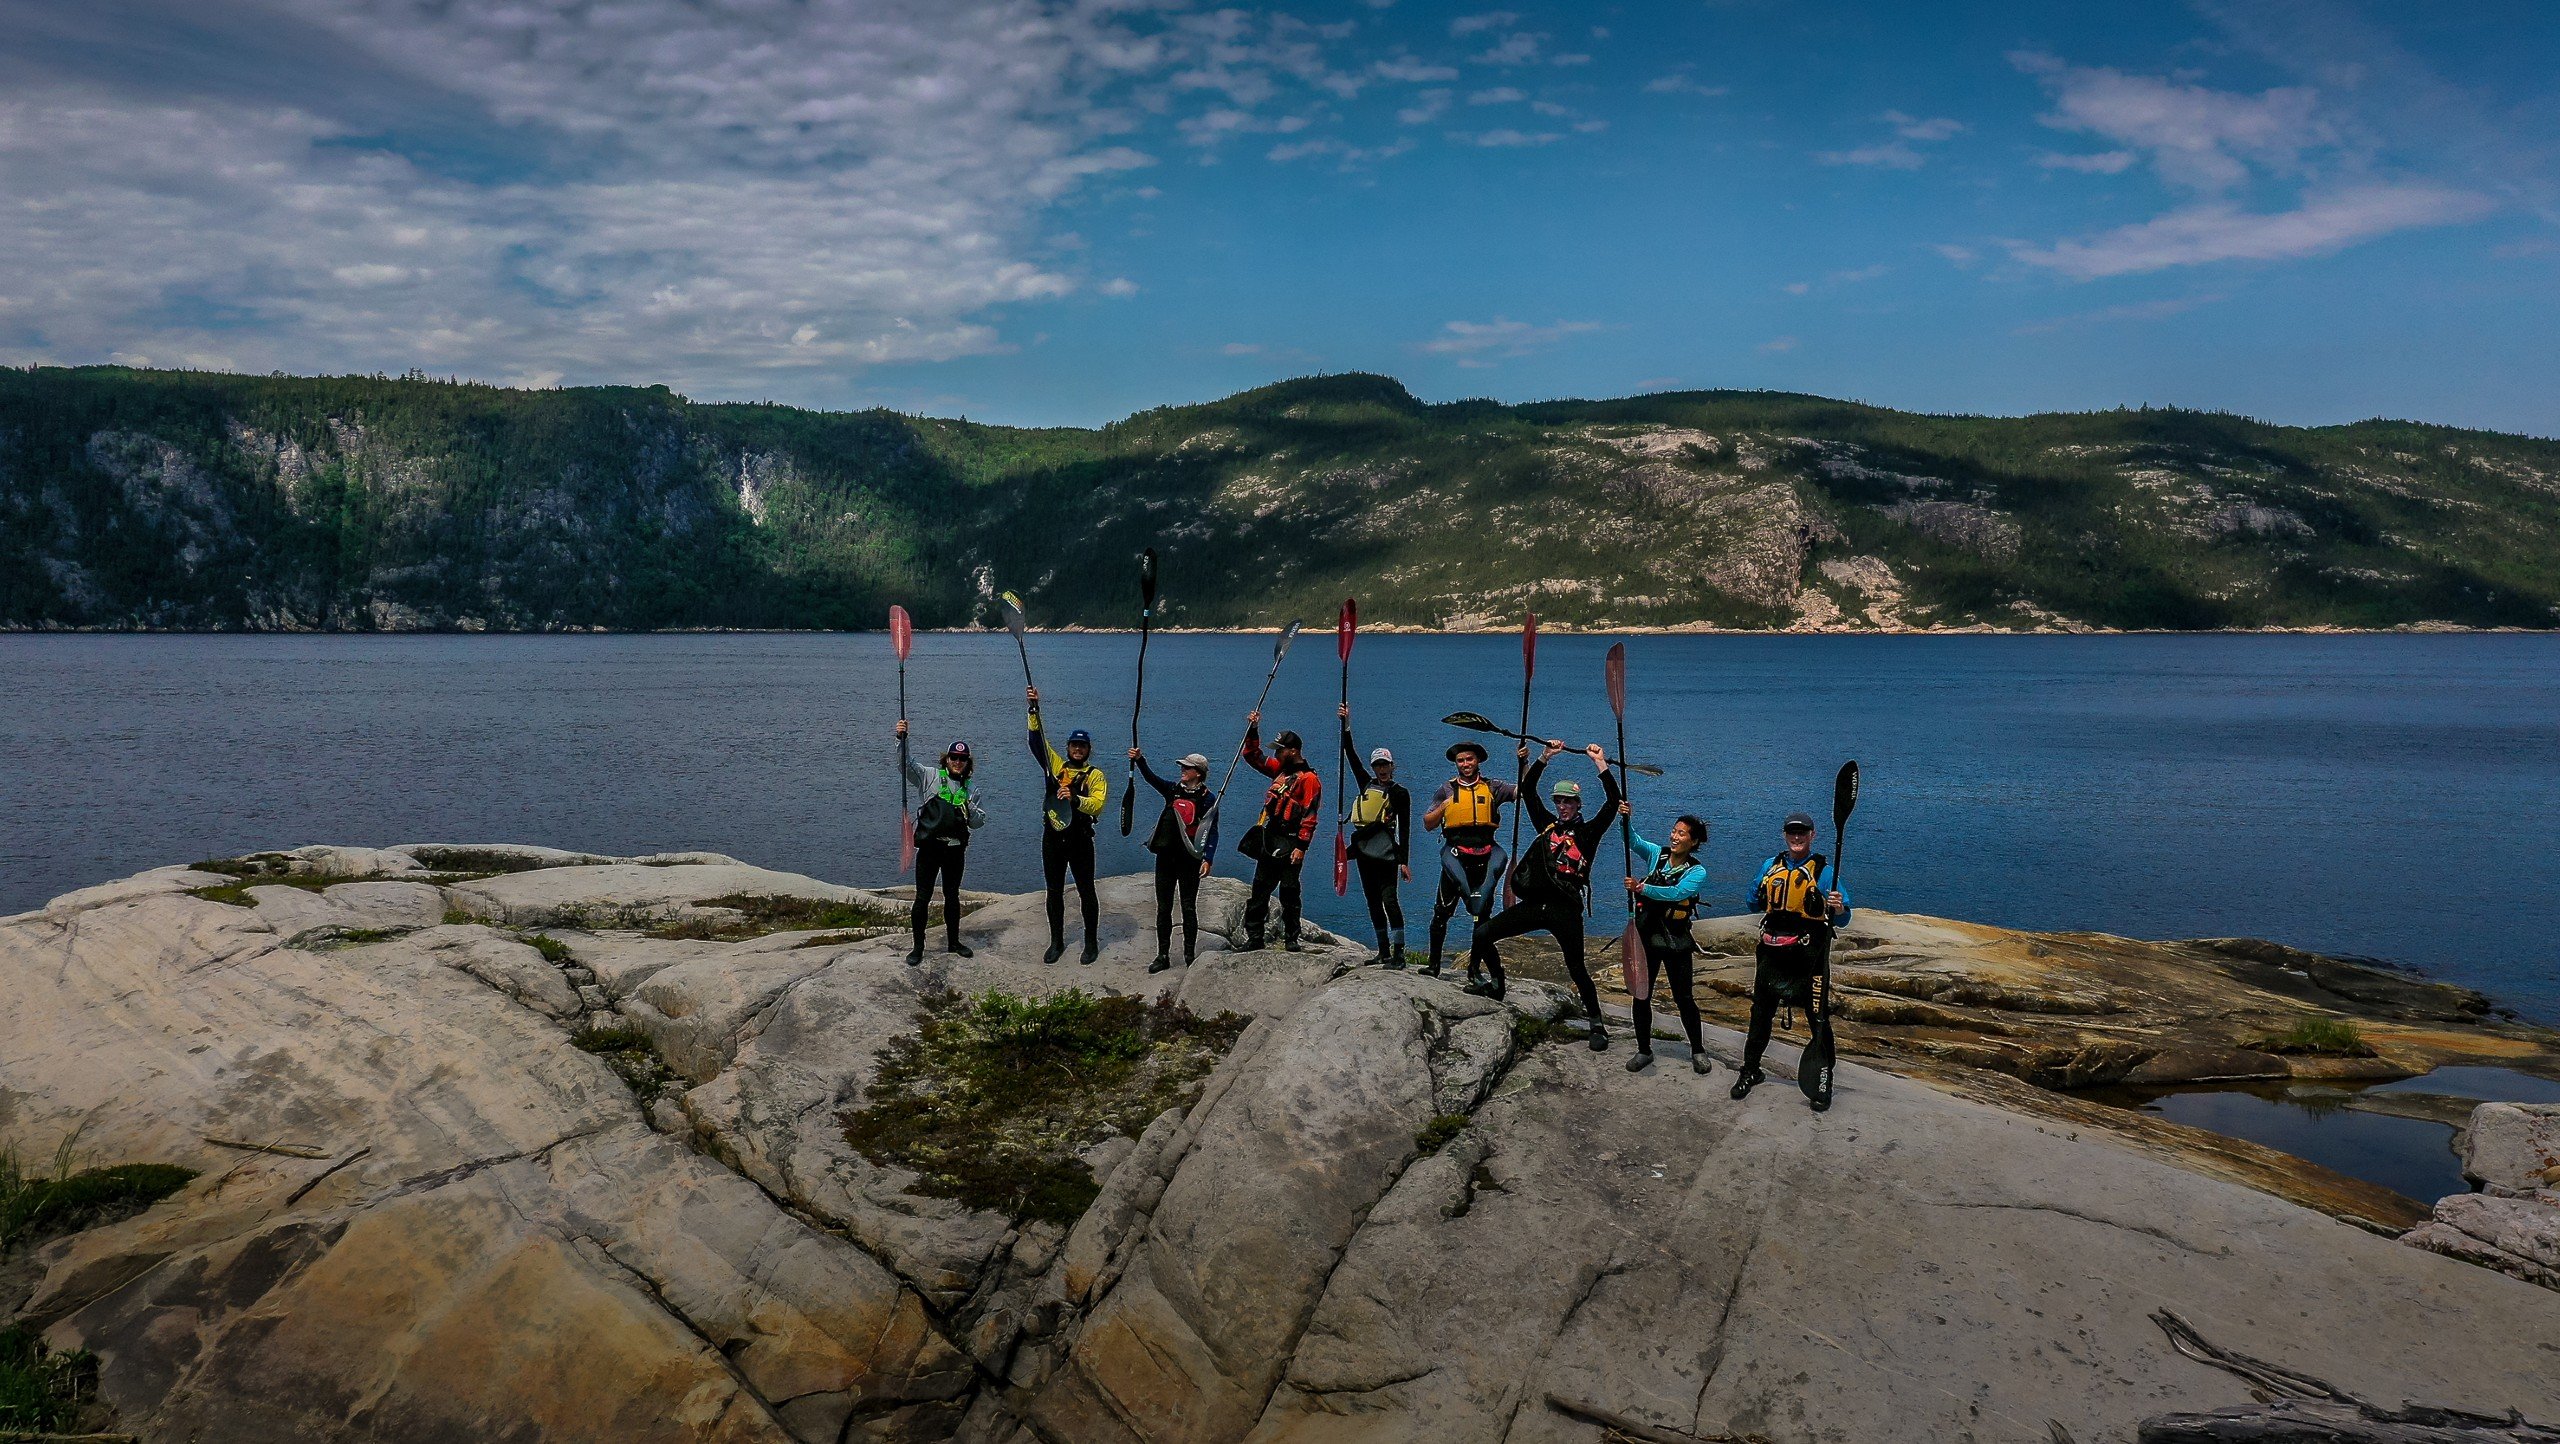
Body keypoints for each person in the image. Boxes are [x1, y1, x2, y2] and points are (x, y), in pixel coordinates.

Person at [1465, 742, 1624, 1044]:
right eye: (1559, 801)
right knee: (1482, 933)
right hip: (1535, 904)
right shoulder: (1546, 826)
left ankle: (1597, 1024)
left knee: (1577, 968)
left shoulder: (1588, 834)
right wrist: (1543, 758)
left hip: (1565, 908)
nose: (1562, 806)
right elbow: (1528, 791)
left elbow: (1613, 802)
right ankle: (1497, 983)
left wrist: (1600, 763)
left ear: (1578, 805)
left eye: (1568, 802)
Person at [1731, 812, 1851, 1110]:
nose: (1797, 838)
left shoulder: (1823, 871)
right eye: (1791, 832)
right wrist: (1760, 890)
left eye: (1803, 833)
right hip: (1772, 952)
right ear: (1785, 834)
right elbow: (1751, 902)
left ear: (1813, 835)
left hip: (1809, 957)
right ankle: (1750, 1069)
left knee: (1817, 1017)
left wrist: (1837, 907)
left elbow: (1844, 917)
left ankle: (1823, 1080)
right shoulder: (1770, 866)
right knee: (1760, 1013)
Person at [1621, 809, 1712, 1075]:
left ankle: (1698, 1050)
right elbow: (1633, 841)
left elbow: (1676, 893)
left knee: (1684, 998)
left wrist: (1642, 888)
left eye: (1681, 834)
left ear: (1693, 842)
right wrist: (1625, 819)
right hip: (1647, 936)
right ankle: (1644, 1050)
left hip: (1676, 940)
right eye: (1674, 831)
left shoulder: (1697, 871)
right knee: (1641, 994)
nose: (1674, 836)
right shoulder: (1656, 855)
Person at [1421, 737, 1519, 978]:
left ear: (1478, 761)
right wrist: (1445, 807)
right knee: (1441, 913)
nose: (1465, 763)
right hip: (1455, 856)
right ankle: (1434, 965)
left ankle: (1474, 969)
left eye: (1469, 759)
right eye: (1461, 760)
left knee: (1482, 918)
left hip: (1485, 855)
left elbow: (1522, 791)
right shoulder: (1446, 789)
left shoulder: (1493, 787)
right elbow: (1427, 824)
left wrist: (1524, 762)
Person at [1025, 686, 1108, 965]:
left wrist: (1074, 799)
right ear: (1068, 748)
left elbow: (1097, 805)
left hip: (1080, 840)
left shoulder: (1096, 776)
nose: (1077, 749)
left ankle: (1091, 943)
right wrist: (1033, 710)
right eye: (1074, 745)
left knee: (1086, 890)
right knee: (1054, 891)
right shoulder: (1057, 767)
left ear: (1088, 750)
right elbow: (1037, 742)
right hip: (1053, 838)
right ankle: (1057, 942)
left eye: (1082, 746)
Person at [895, 721, 985, 965]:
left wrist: (971, 809)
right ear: (946, 759)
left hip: (955, 850)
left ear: (968, 763)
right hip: (930, 849)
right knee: (922, 897)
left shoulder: (972, 789)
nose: (957, 762)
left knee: (952, 895)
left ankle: (954, 942)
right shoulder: (929, 776)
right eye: (954, 757)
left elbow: (977, 822)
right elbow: (905, 765)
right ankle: (917, 947)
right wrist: (902, 738)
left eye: (962, 759)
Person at [1236, 710, 1322, 951]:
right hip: (1271, 835)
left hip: (1292, 840)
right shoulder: (1280, 771)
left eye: (1279, 750)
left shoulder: (1308, 779)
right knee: (1260, 888)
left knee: (1289, 891)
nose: (1275, 754)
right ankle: (1254, 938)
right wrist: (1253, 729)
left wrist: (1301, 847)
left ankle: (1292, 938)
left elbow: (1310, 815)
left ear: (1292, 751)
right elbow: (1253, 755)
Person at [1130, 745, 1219, 973]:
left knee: (1189, 907)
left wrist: (1207, 858)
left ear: (1197, 773)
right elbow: (1152, 779)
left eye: (1187, 767)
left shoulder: (1208, 800)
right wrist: (1140, 760)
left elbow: (1212, 831)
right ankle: (1163, 955)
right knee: (1163, 908)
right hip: (1166, 857)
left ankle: (1190, 956)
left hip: (1189, 859)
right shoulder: (1172, 790)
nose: (1182, 769)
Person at [1339, 703, 1413, 968]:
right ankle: (1383, 951)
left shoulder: (1400, 793)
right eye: (1377, 765)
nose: (1381, 769)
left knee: (1389, 900)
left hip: (1385, 854)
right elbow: (1349, 754)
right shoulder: (1365, 783)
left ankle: (1399, 953)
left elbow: (1405, 827)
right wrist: (1346, 724)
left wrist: (1404, 861)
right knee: (1372, 902)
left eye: (1385, 765)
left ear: (1392, 766)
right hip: (1363, 853)